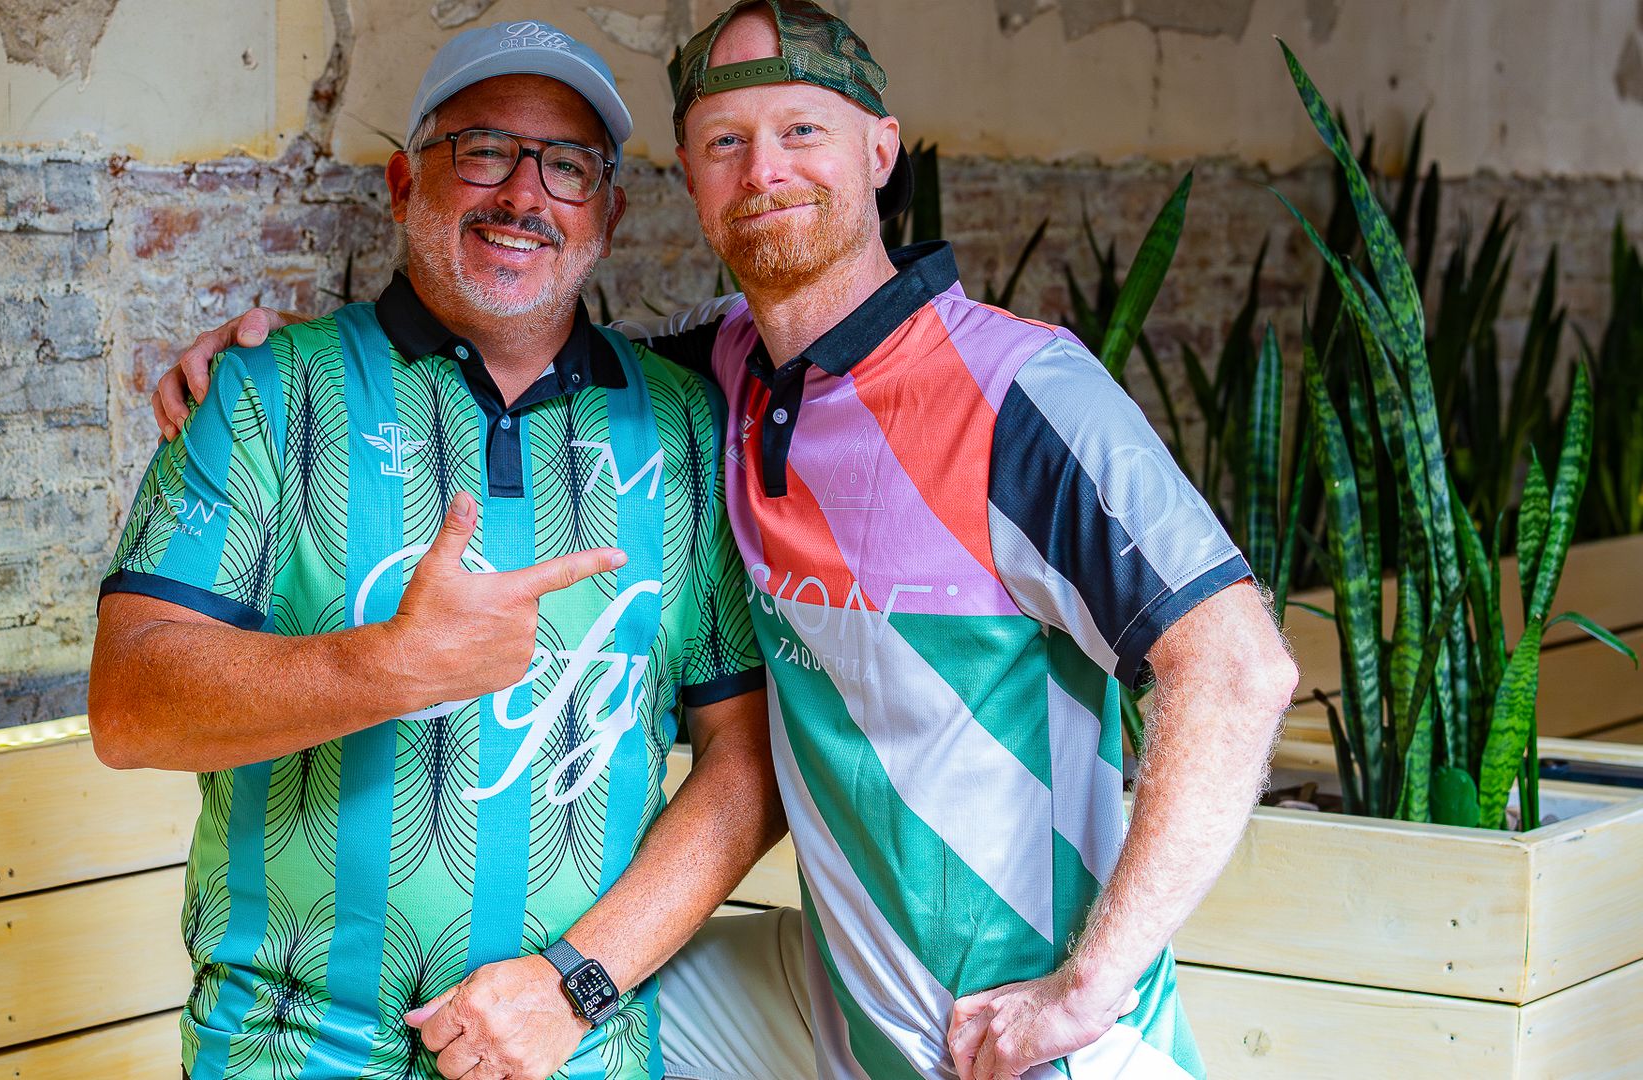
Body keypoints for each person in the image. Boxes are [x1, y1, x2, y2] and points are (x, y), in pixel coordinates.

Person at [159, 3, 1299, 1078]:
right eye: (723, 142)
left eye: (803, 130)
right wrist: (266, 359)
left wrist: (1090, 986)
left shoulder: (1021, 391)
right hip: (830, 1000)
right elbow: (506, 326)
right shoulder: (717, 378)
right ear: (687, 189)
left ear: (881, 151)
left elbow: (1240, 666)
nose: (765, 173)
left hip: (1022, 1032)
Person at [89, 20, 788, 1080]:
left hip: (574, 1047)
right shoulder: (267, 394)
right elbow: (128, 704)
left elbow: (744, 763)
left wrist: (575, 984)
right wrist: (387, 666)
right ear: (405, 181)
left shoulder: (687, 427)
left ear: (608, 212)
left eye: (567, 165)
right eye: (483, 151)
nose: (523, 194)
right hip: (288, 1046)